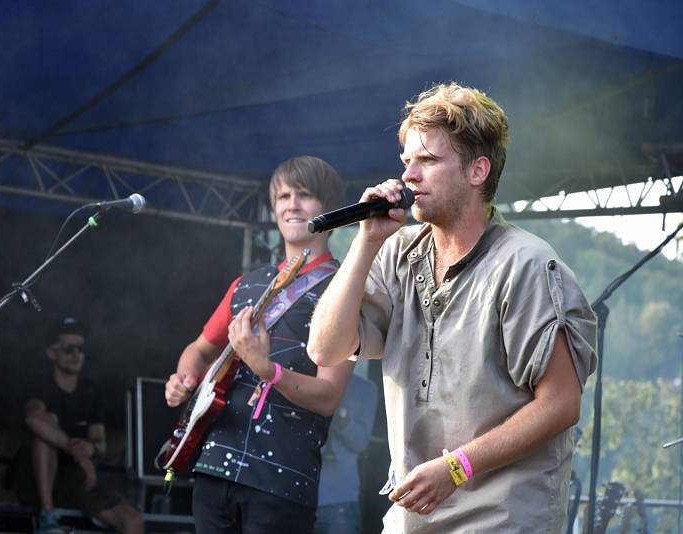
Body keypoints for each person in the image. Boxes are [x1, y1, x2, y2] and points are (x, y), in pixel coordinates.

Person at [307, 82, 598, 532]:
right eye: (407, 162)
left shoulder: (527, 265)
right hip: (413, 517)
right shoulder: (397, 251)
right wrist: (365, 243)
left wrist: (457, 467)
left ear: (478, 170)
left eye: (428, 160)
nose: (409, 177)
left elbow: (561, 404)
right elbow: (325, 351)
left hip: (502, 520)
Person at [165, 155, 356, 534]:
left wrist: (266, 370)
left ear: (329, 210)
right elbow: (199, 348)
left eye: (305, 195)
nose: (292, 205)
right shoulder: (245, 283)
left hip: (282, 478)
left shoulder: (345, 291)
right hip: (214, 466)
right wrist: (184, 376)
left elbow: (328, 396)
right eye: (283, 196)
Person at [11, 315, 144, 534]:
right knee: (47, 425)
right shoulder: (40, 385)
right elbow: (34, 418)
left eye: (80, 349)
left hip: (78, 477)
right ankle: (48, 516)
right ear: (51, 353)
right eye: (68, 349)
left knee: (133, 521)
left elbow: (99, 444)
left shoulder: (91, 391)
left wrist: (90, 450)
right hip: (36, 480)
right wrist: (78, 452)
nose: (76, 355)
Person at [314, 370, 378, 534]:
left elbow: (359, 443)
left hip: (340, 498)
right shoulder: (308, 379)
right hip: (299, 495)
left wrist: (343, 418)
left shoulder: (365, 389)